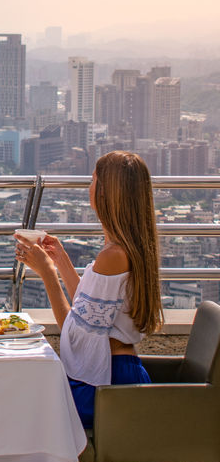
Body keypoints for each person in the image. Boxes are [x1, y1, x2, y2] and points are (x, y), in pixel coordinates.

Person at [15, 150, 163, 428]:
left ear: (107, 193)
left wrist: (47, 273)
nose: (88, 187)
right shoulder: (129, 249)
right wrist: (61, 261)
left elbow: (75, 332)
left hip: (104, 389)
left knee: (20, 401)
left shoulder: (113, 256)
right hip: (118, 377)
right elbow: (90, 312)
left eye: (93, 180)